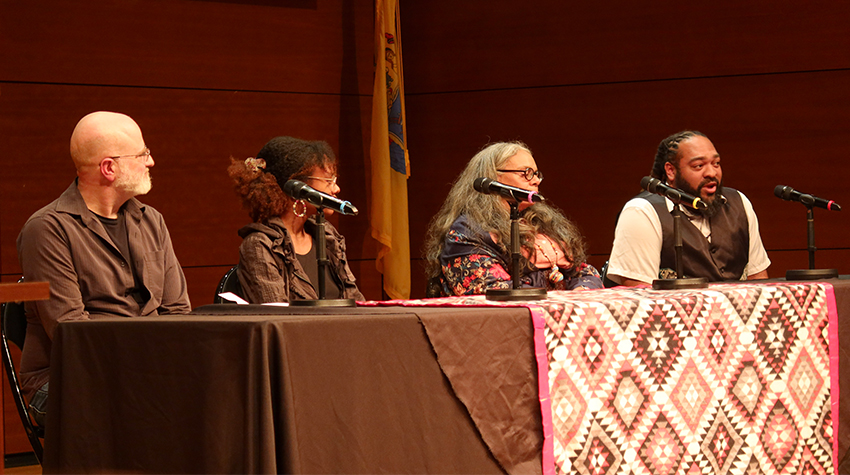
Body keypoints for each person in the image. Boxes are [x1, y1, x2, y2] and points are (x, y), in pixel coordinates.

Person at [17, 111, 192, 425]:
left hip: (148, 372)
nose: (150, 162)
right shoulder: (47, 229)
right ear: (109, 168)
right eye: (142, 154)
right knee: (155, 408)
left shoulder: (151, 220)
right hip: (66, 379)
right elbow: (72, 332)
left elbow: (177, 310)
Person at [424, 141, 602, 297]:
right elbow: (493, 290)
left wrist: (580, 293)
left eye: (536, 173)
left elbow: (585, 273)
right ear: (493, 176)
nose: (536, 181)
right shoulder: (467, 233)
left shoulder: (541, 223)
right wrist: (561, 297)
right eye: (526, 173)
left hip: (558, 319)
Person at [607, 130, 770, 286]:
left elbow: (759, 281)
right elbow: (639, 297)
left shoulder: (739, 203)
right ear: (671, 171)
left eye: (716, 163)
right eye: (699, 166)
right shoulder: (642, 212)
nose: (711, 173)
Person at [228, 136, 364, 303]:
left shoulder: (328, 235)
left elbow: (355, 301)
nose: (336, 188)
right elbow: (278, 318)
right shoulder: (260, 246)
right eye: (328, 181)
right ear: (297, 188)